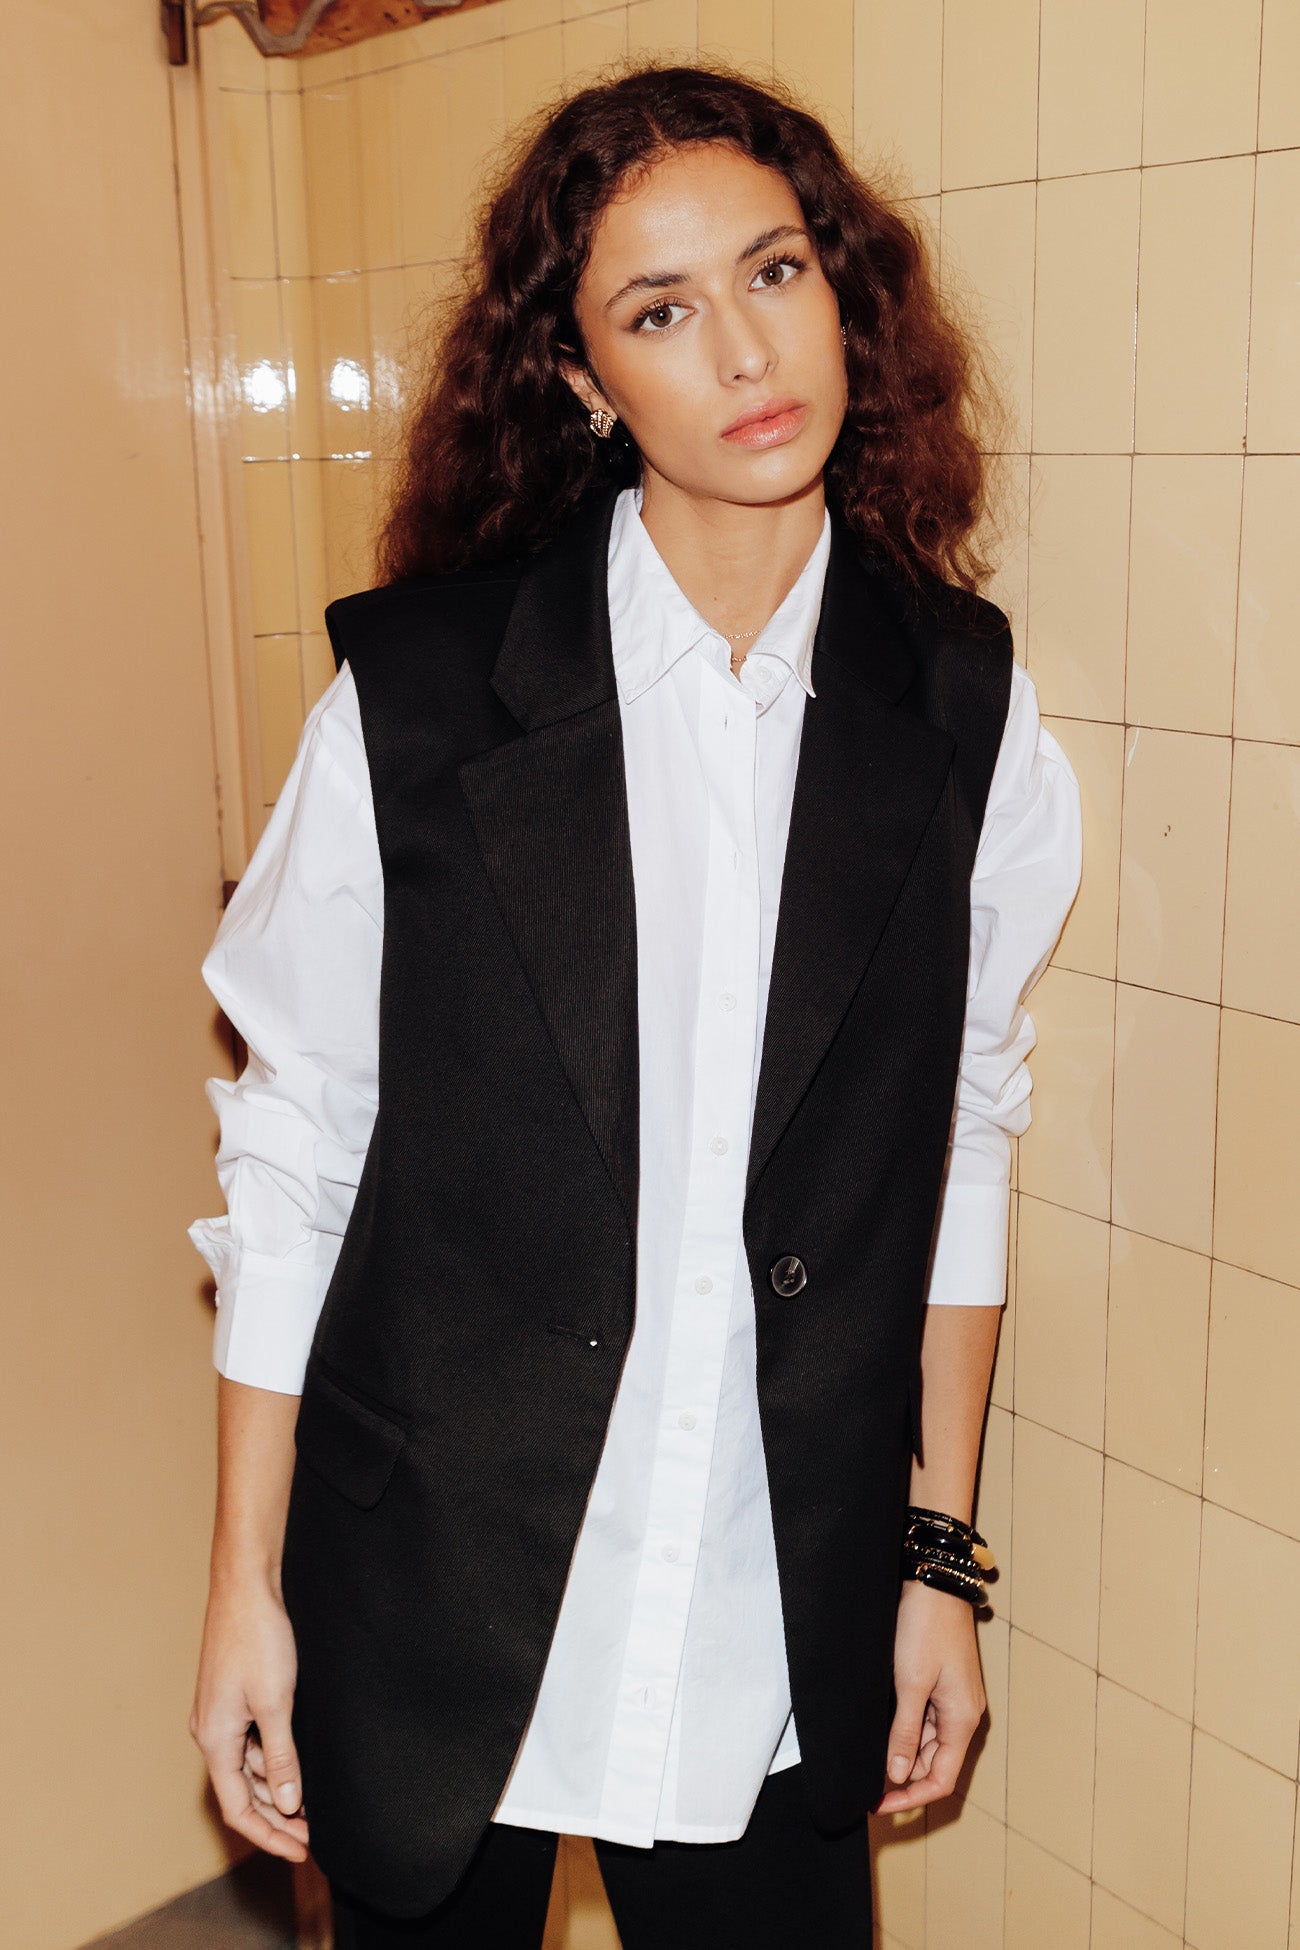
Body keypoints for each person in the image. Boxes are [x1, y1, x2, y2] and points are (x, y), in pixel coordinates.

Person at [188, 59, 1082, 1949]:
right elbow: (295, 1146)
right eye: (659, 312)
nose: (746, 351)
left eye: (775, 272)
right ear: (583, 376)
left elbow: (962, 1143)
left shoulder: (962, 714)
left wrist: (938, 1560)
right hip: (440, 1579)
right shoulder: (419, 704)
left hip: (771, 1589)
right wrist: (242, 1583)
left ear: (842, 288)